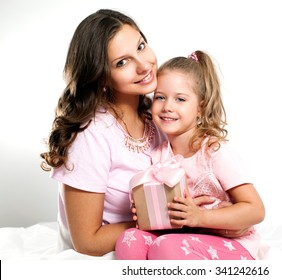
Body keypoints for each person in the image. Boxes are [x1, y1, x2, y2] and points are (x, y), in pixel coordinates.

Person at [40, 9, 246, 257]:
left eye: (141, 46)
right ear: (100, 76)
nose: (144, 65)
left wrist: (209, 214)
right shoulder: (90, 135)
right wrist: (163, 220)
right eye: (122, 62)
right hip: (111, 253)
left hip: (164, 244)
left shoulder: (158, 113)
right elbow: (87, 242)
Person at [115, 50, 269, 260]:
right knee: (129, 239)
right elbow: (172, 218)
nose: (168, 106)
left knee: (166, 247)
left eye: (180, 99)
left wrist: (200, 217)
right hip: (183, 238)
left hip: (233, 243)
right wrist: (148, 211)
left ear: (200, 108)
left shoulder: (213, 153)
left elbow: (256, 210)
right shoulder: (160, 156)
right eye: (160, 97)